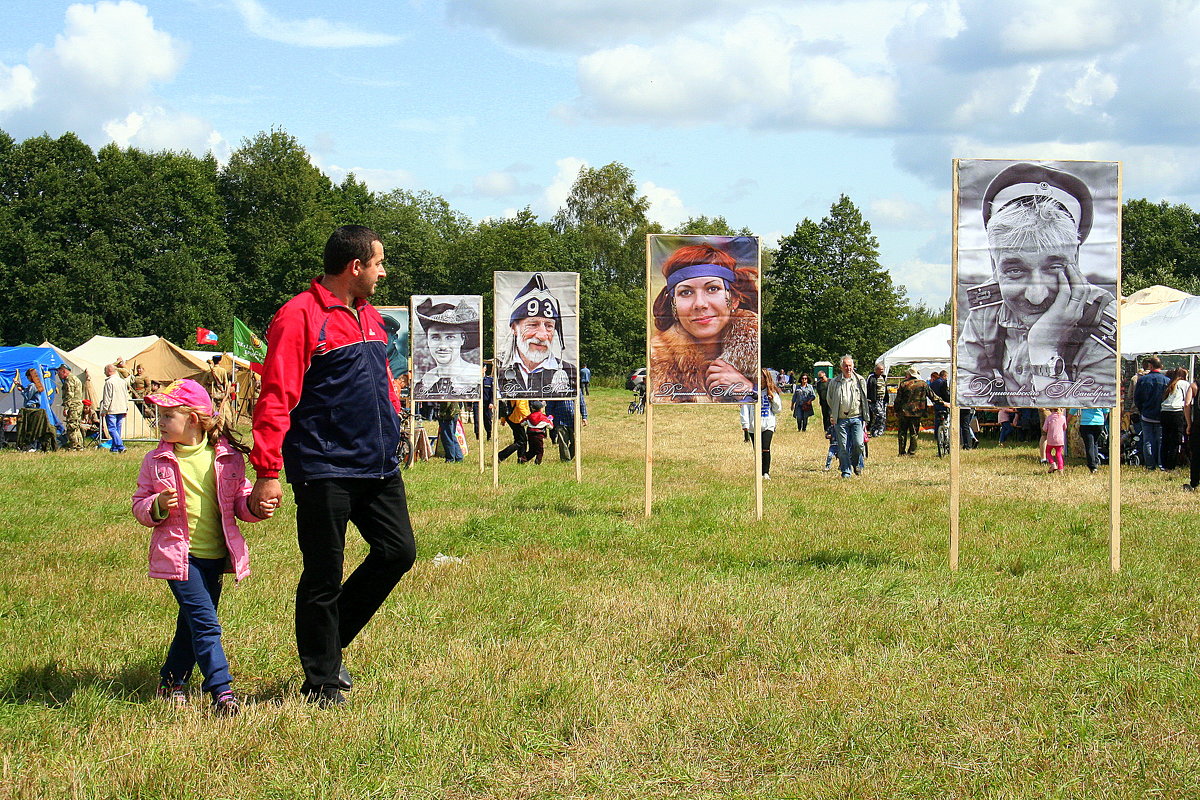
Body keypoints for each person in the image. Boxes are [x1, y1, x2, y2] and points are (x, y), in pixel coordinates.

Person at [249, 225, 417, 707]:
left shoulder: (370, 317)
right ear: (355, 266)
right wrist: (266, 473)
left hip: (379, 466)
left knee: (398, 551)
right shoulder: (299, 317)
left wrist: (393, 418)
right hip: (324, 467)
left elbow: (382, 380)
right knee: (324, 573)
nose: (383, 272)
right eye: (379, 263)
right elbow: (276, 396)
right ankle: (321, 680)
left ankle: (325, 641)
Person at [131, 379, 277, 715]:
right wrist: (156, 505)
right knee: (206, 624)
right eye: (160, 415)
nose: (160, 422)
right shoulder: (156, 461)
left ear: (193, 419)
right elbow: (139, 504)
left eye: (168, 415)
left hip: (216, 556)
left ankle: (171, 680)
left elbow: (238, 500)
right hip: (180, 557)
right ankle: (221, 691)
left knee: (193, 622)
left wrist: (255, 507)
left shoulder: (227, 458)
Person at [957, 163, 1117, 407]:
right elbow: (967, 391)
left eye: (1053, 267)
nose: (1035, 295)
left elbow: (1089, 412)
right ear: (994, 266)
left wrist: (1044, 348)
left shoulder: (1101, 321)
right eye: (1014, 270)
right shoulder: (986, 311)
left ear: (1075, 259)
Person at [649, 243, 758, 403]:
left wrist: (747, 389)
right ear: (674, 306)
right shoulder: (657, 361)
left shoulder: (760, 347)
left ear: (733, 300)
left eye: (712, 289)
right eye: (686, 292)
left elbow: (774, 403)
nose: (700, 304)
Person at [498, 273, 578, 398]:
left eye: (549, 326)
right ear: (514, 327)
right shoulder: (500, 371)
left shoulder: (569, 371)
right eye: (533, 324)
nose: (542, 336)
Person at [413, 298, 481, 400]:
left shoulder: (475, 378)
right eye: (435, 337)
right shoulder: (424, 382)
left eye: (450, 337)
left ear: (462, 339)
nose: (443, 346)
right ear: (427, 340)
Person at [826, 355, 869, 478]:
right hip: (841, 419)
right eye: (845, 365)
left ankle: (855, 462)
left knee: (859, 444)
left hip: (857, 417)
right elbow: (829, 399)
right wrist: (834, 413)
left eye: (850, 365)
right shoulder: (834, 382)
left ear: (853, 366)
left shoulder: (860, 380)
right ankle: (846, 471)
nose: (848, 368)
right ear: (841, 367)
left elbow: (864, 399)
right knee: (843, 447)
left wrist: (866, 417)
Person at [740, 369, 782, 479]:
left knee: (765, 448)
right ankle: (759, 472)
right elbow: (745, 407)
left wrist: (773, 400)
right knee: (757, 450)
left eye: (762, 377)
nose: (760, 379)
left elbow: (777, 410)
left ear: (766, 378)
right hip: (754, 426)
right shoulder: (750, 392)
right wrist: (745, 424)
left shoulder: (772, 391)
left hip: (768, 424)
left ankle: (766, 472)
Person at [1133, 356, 1169, 470]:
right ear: (1161, 366)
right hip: (1161, 414)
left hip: (1146, 414)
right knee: (1160, 440)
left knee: (1147, 440)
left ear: (1150, 366)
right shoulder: (1167, 381)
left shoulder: (1143, 380)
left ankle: (1149, 464)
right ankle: (1161, 464)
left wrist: (1141, 409)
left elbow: (1137, 398)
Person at [894, 367, 935, 455]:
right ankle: (912, 451)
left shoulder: (903, 384)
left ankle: (901, 452)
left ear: (909, 375)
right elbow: (932, 396)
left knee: (902, 432)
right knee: (914, 433)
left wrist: (896, 410)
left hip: (904, 412)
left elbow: (898, 399)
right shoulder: (923, 384)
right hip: (917, 412)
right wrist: (942, 402)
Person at [1160, 368, 1188, 471]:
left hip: (1164, 412)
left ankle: (1163, 463)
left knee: (1165, 439)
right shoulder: (1184, 384)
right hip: (1176, 412)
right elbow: (1188, 400)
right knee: (1176, 440)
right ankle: (1171, 465)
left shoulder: (1170, 383)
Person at [545, 392, 587, 461]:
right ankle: (565, 459)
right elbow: (549, 407)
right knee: (563, 441)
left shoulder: (576, 389)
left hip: (574, 420)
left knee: (576, 441)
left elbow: (582, 403)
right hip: (560, 420)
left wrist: (584, 417)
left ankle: (570, 456)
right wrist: (550, 419)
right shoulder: (556, 391)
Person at [100, 364, 129, 454]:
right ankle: (114, 448)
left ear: (109, 371)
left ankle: (120, 446)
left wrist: (104, 409)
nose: (104, 372)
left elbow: (107, 397)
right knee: (118, 429)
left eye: (105, 370)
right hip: (121, 408)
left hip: (112, 409)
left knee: (112, 429)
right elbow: (125, 395)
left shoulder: (109, 382)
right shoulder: (122, 381)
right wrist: (126, 408)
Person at [57, 364, 85, 451]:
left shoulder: (69, 380)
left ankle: (74, 445)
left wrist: (66, 407)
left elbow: (69, 394)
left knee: (71, 426)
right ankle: (79, 445)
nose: (59, 375)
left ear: (64, 371)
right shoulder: (76, 378)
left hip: (73, 406)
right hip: (78, 405)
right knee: (76, 426)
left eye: (59, 373)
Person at [1072, 406, 1109, 473]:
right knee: (1094, 443)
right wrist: (1103, 420)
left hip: (1086, 422)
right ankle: (1096, 461)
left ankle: (1092, 466)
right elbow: (1106, 409)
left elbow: (1075, 407)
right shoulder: (1100, 395)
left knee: (1089, 444)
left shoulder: (1084, 395)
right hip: (1099, 422)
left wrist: (1067, 419)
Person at [497, 398, 530, 462]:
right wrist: (529, 417)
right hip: (516, 418)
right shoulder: (521, 393)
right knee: (521, 441)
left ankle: (521, 458)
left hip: (510, 417)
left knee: (520, 439)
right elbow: (521, 406)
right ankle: (500, 456)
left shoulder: (513, 391)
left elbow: (507, 405)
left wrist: (503, 419)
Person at [1184, 376, 1200, 491]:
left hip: (1198, 426)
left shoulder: (1195, 385)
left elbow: (1187, 404)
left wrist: (1189, 423)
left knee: (1196, 455)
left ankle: (1194, 483)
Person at [865, 363, 889, 438]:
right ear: (876, 370)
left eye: (883, 369)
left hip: (883, 400)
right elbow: (867, 388)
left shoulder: (883, 377)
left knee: (883, 416)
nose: (882, 371)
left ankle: (880, 432)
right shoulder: (871, 378)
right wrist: (868, 398)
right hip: (874, 400)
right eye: (880, 369)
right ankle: (873, 430)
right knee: (880, 415)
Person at [1043, 408, 1067, 473]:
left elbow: (1044, 428)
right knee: (1058, 454)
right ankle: (1060, 469)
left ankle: (1053, 464)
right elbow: (1065, 427)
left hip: (1051, 439)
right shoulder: (1063, 417)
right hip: (1060, 439)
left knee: (1047, 452)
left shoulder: (1049, 418)